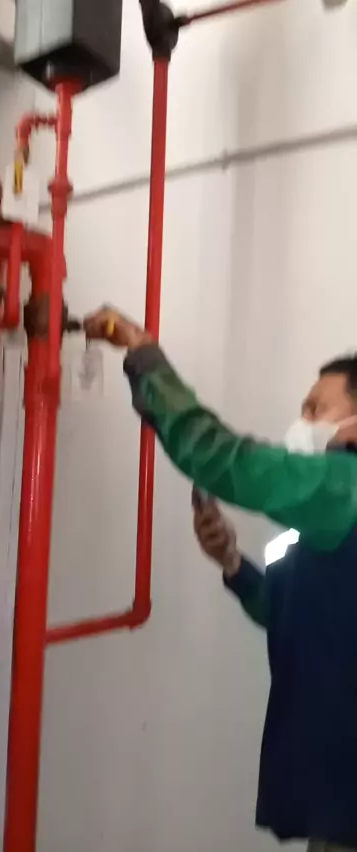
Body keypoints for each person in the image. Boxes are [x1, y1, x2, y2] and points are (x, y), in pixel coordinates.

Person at [84, 307, 357, 852]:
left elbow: (224, 458)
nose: (302, 419)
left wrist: (143, 356)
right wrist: (232, 562)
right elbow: (288, 612)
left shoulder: (342, 488)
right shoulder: (326, 516)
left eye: (317, 408)